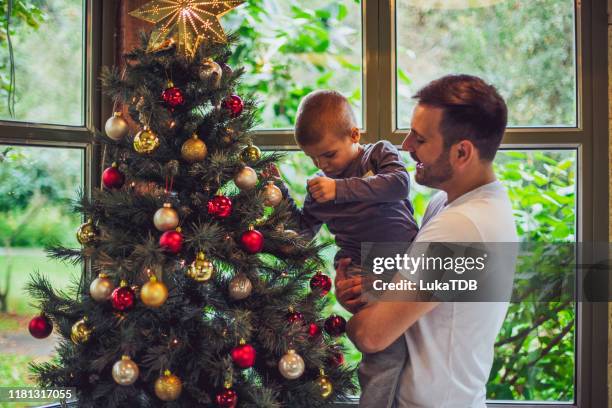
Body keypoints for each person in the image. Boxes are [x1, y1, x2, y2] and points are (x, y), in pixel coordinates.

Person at [335, 74, 518, 407]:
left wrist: (358, 320)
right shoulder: (458, 204)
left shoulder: (461, 229)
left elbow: (371, 335)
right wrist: (367, 290)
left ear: (462, 152)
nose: (406, 146)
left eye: (419, 139)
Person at [272, 90, 419, 408]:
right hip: (362, 269)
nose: (321, 165)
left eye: (328, 155)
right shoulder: (319, 188)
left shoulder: (377, 155)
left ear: (355, 135)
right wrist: (281, 194)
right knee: (382, 356)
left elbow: (399, 184)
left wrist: (340, 188)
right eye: (312, 159)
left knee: (410, 350)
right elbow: (303, 233)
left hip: (404, 257)